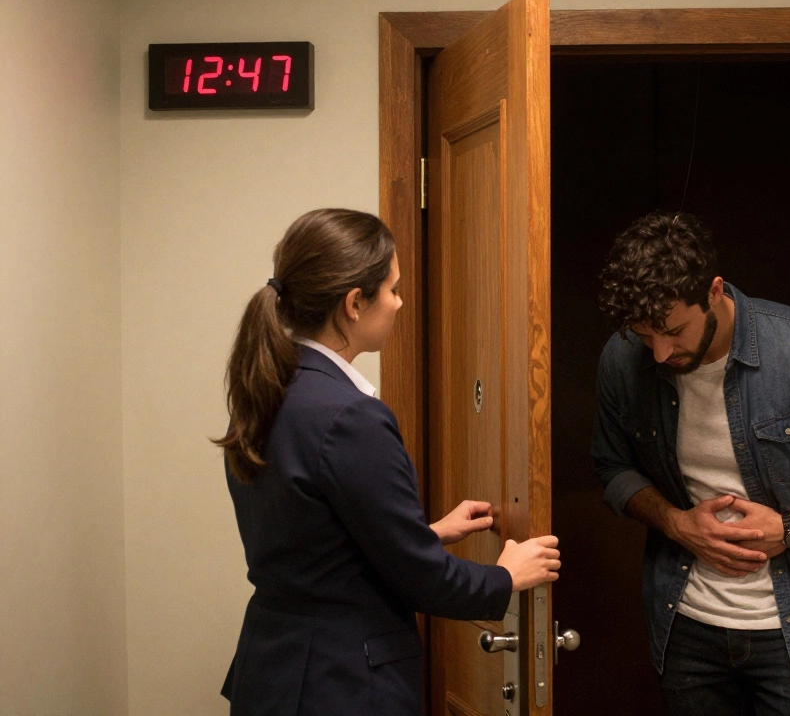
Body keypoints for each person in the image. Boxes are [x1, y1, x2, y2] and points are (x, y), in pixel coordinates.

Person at [214, 208, 560, 715]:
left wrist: (428, 534)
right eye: (393, 289)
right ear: (355, 303)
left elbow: (310, 540)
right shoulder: (350, 415)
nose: (400, 303)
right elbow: (425, 582)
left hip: (274, 674)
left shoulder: (266, 389)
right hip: (342, 685)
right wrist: (506, 576)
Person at [591, 212, 790, 715]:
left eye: (673, 331)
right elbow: (612, 467)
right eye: (645, 335)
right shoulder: (624, 359)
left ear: (714, 291)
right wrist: (675, 523)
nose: (659, 352)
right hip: (686, 626)